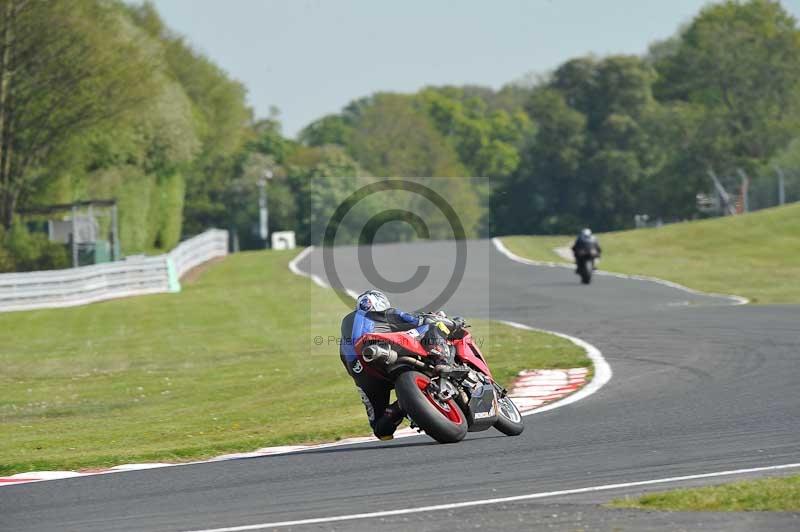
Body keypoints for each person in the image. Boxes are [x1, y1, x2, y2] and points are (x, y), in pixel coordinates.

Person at [339, 290, 456, 441]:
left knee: (381, 430)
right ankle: (442, 362)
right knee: (435, 325)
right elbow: (420, 320)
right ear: (381, 303)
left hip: (364, 376)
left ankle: (400, 406)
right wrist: (448, 321)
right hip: (388, 352)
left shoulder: (345, 334)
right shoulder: (386, 313)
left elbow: (348, 366)